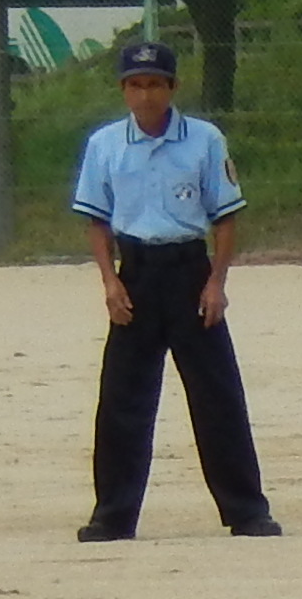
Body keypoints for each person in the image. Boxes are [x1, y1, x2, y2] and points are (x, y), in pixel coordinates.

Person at [71, 34, 281, 541]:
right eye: (136, 85)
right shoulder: (105, 145)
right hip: (136, 273)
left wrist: (216, 282)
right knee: (122, 400)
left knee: (217, 396)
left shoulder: (203, 140)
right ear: (123, 90)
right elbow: (97, 221)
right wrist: (110, 282)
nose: (145, 95)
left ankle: (246, 509)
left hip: (188, 270)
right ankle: (113, 515)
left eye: (155, 84)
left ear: (173, 87)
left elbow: (225, 218)